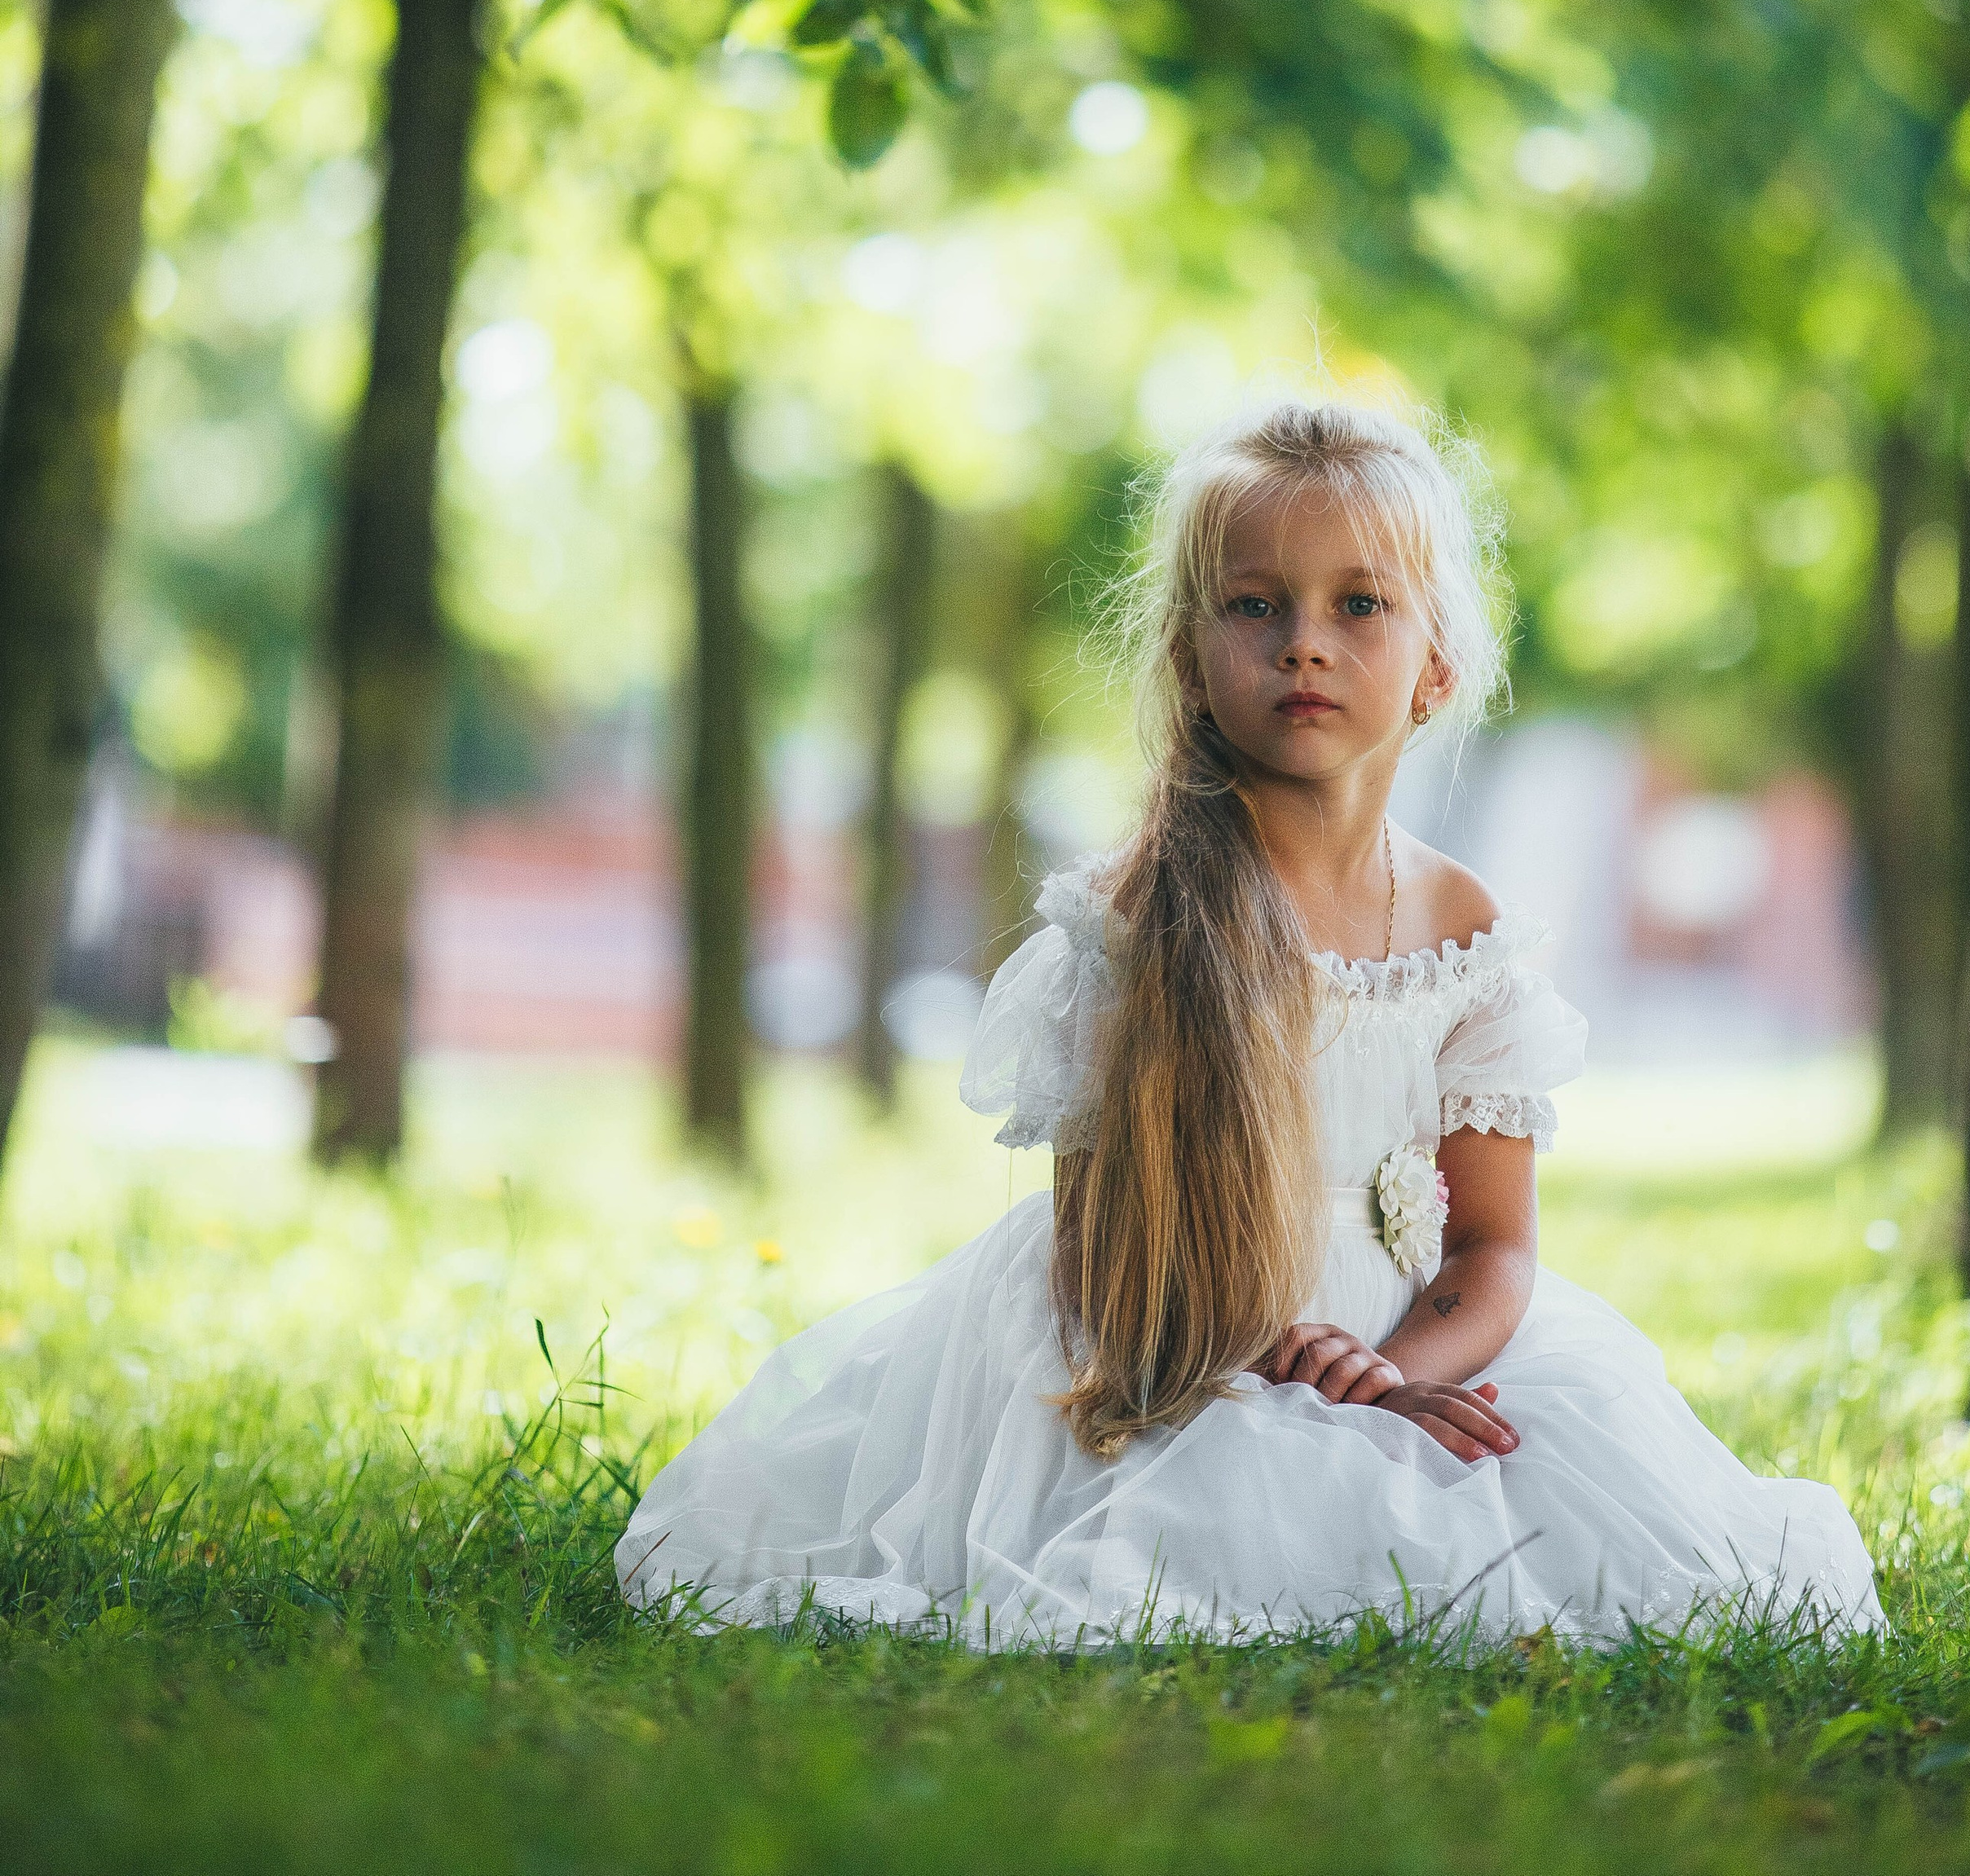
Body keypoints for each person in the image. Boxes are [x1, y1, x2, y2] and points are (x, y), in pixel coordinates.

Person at [617, 394, 1882, 1646]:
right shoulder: (1135, 925)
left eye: (1360, 604)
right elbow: (1100, 1239)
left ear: (1435, 663)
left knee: (1579, 1532)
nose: (1305, 643)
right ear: (1189, 654)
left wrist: (1395, 1379)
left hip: (1409, 1347)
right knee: (1203, 1540)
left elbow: (1493, 1246)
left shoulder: (1464, 931)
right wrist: (1261, 1353)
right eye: (1256, 604)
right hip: (1169, 1343)